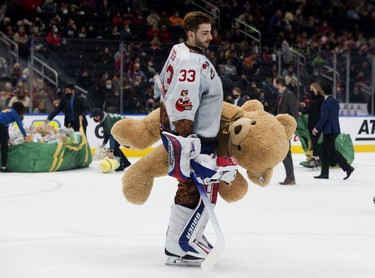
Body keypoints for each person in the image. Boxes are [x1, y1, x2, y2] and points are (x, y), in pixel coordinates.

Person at [156, 11, 233, 266]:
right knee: (199, 189)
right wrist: (186, 140)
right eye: (204, 33)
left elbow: (164, 90)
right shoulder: (191, 62)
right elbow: (183, 103)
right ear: (190, 34)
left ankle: (177, 241)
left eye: (210, 31)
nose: (210, 36)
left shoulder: (180, 51)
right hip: (195, 136)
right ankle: (182, 243)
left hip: (191, 133)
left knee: (190, 188)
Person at [312, 83, 354, 180]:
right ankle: (324, 173)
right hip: (334, 129)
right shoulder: (335, 101)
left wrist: (316, 128)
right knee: (325, 151)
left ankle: (347, 167)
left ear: (322, 91)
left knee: (330, 150)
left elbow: (324, 117)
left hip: (329, 130)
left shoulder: (327, 102)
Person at [273, 76, 299, 185]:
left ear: (279, 83)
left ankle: (290, 176)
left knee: (286, 153)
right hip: (280, 129)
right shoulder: (281, 95)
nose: (273, 85)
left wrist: (290, 129)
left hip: (285, 130)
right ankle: (290, 176)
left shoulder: (289, 95)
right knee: (284, 153)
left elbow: (294, 114)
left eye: (274, 83)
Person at [0, 102, 30, 172]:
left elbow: (6, 126)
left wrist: (7, 138)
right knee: (4, 147)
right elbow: (20, 126)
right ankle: (3, 167)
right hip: (1, 125)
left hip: (2, 125)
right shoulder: (14, 113)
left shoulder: (8, 111)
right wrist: (25, 136)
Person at [308, 82, 325, 167]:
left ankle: (315, 158)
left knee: (315, 141)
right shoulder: (312, 98)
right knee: (313, 141)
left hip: (317, 123)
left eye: (312, 88)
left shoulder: (321, 99)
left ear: (316, 88)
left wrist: (319, 125)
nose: (311, 90)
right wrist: (301, 112)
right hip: (310, 122)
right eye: (310, 88)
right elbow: (309, 109)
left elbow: (322, 112)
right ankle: (317, 158)